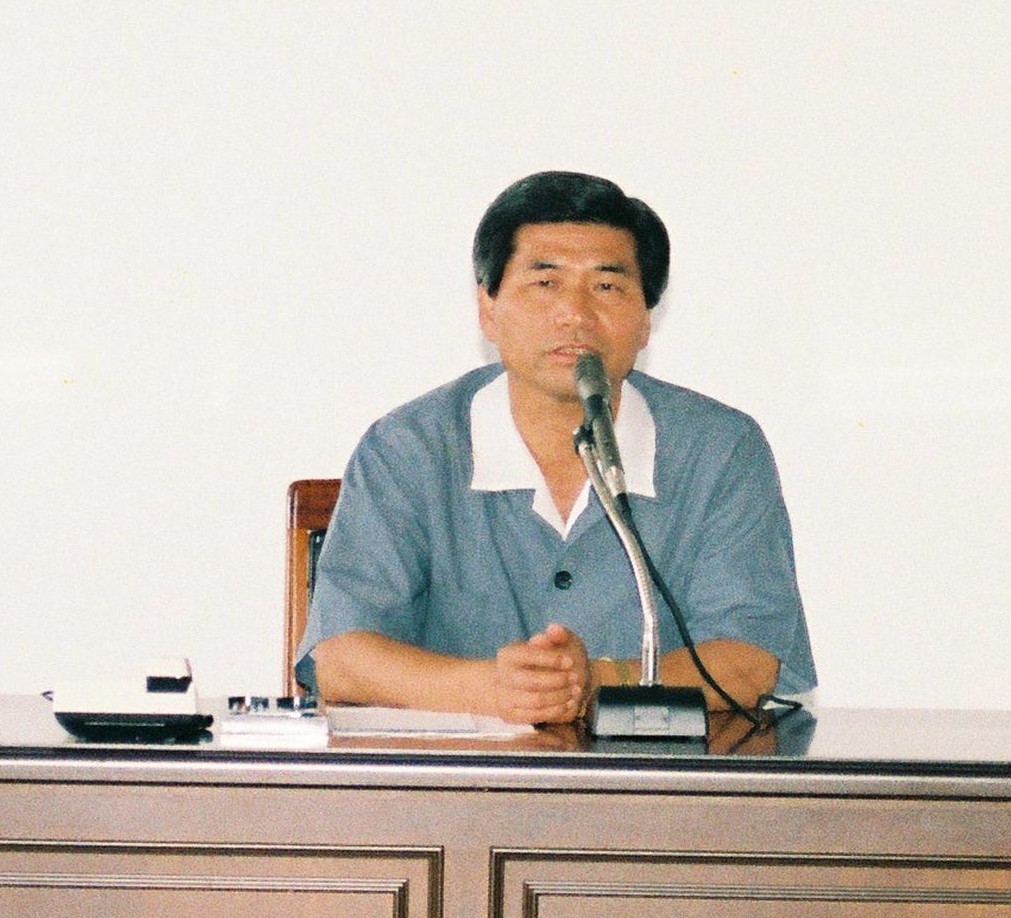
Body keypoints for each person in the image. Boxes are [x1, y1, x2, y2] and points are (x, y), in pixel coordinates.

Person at [301, 170, 813, 725]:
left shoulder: (720, 449)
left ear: (646, 322)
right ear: (488, 309)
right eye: (545, 283)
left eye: (607, 287)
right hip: (461, 776)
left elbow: (749, 661)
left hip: (651, 778)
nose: (576, 313)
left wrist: (596, 681)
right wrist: (493, 689)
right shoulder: (410, 447)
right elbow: (341, 658)